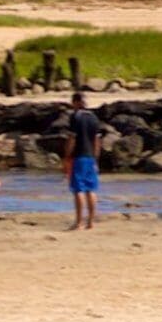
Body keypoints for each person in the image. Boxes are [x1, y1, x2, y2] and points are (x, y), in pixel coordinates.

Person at [58, 93, 106, 231]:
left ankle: (78, 222)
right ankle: (90, 221)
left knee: (78, 189)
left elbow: (72, 138)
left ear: (76, 102)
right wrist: (96, 158)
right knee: (90, 189)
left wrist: (66, 156)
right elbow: (97, 141)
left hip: (78, 156)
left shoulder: (76, 117)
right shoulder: (94, 117)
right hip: (90, 156)